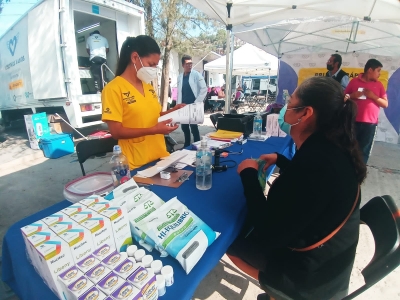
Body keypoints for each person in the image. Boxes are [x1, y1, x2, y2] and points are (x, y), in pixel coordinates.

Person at [228, 76, 366, 300]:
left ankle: (278, 295)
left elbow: (265, 231)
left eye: (290, 104)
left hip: (309, 278)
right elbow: (312, 188)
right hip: (328, 260)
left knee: (229, 240)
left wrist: (248, 174)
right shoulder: (332, 148)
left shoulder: (314, 164)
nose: (284, 110)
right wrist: (282, 161)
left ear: (305, 113)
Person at [101, 35, 185, 170]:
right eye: (151, 64)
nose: (153, 69)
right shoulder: (113, 89)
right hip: (136, 163)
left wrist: (173, 111)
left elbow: (154, 115)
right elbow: (116, 132)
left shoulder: (148, 87)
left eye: (155, 66)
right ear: (135, 58)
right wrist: (153, 130)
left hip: (160, 156)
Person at [345, 59, 388, 164]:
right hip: (353, 121)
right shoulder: (354, 82)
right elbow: (343, 97)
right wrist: (352, 96)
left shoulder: (379, 85)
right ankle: (347, 169)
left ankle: (359, 173)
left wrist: (373, 96)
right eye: (378, 71)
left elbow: (385, 104)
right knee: (349, 147)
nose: (379, 74)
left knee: (363, 151)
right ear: (370, 70)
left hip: (370, 124)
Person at [177, 55, 207, 147]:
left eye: (191, 63)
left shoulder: (196, 74)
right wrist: (178, 105)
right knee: (184, 127)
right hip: (183, 105)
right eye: (187, 64)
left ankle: (197, 145)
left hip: (193, 105)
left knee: (194, 127)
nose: (189, 65)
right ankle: (186, 145)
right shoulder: (180, 77)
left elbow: (204, 88)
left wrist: (197, 101)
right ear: (183, 65)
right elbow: (179, 92)